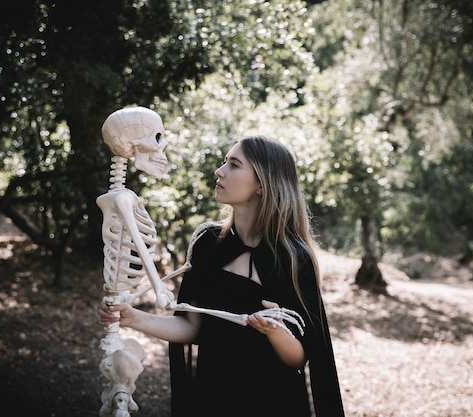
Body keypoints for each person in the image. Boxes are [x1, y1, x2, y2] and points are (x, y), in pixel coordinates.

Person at [98, 135, 345, 417]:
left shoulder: (292, 258)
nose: (220, 171)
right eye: (224, 161)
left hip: (273, 403)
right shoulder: (208, 243)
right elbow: (193, 327)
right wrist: (133, 318)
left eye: (234, 164)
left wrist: (275, 331)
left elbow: (300, 358)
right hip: (212, 398)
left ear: (262, 185)